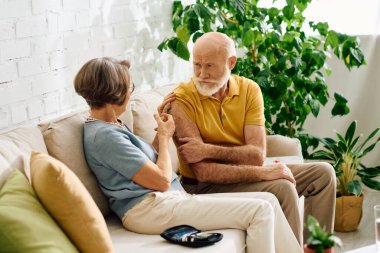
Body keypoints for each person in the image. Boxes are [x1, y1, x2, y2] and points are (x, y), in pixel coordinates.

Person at [73, 57, 302, 253]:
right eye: (130, 87)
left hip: (166, 201)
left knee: (269, 201)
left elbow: (147, 165)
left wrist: (159, 132)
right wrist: (164, 138)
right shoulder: (103, 136)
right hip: (148, 209)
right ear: (116, 92)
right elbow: (161, 181)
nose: (131, 94)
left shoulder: (114, 125)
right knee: (259, 210)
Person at [170, 32, 336, 245]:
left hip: (243, 174)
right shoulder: (181, 100)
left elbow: (256, 155)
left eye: (209, 66)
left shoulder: (249, 89)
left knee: (323, 174)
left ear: (231, 63)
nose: (201, 74)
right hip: (203, 186)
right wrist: (263, 173)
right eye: (197, 65)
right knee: (283, 186)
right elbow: (204, 172)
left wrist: (207, 150)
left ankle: (317, 250)